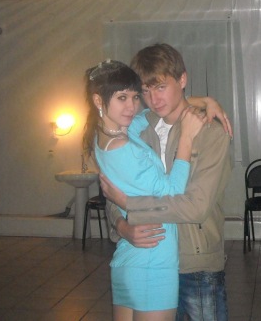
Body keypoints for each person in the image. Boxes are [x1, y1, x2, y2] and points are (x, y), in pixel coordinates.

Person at [84, 59, 227, 321]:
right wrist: (186, 138)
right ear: (98, 100)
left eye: (135, 96)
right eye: (123, 97)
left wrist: (203, 100)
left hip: (144, 259)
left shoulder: (117, 132)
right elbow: (169, 192)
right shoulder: (125, 145)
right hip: (153, 260)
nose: (134, 105)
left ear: (181, 81)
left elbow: (142, 117)